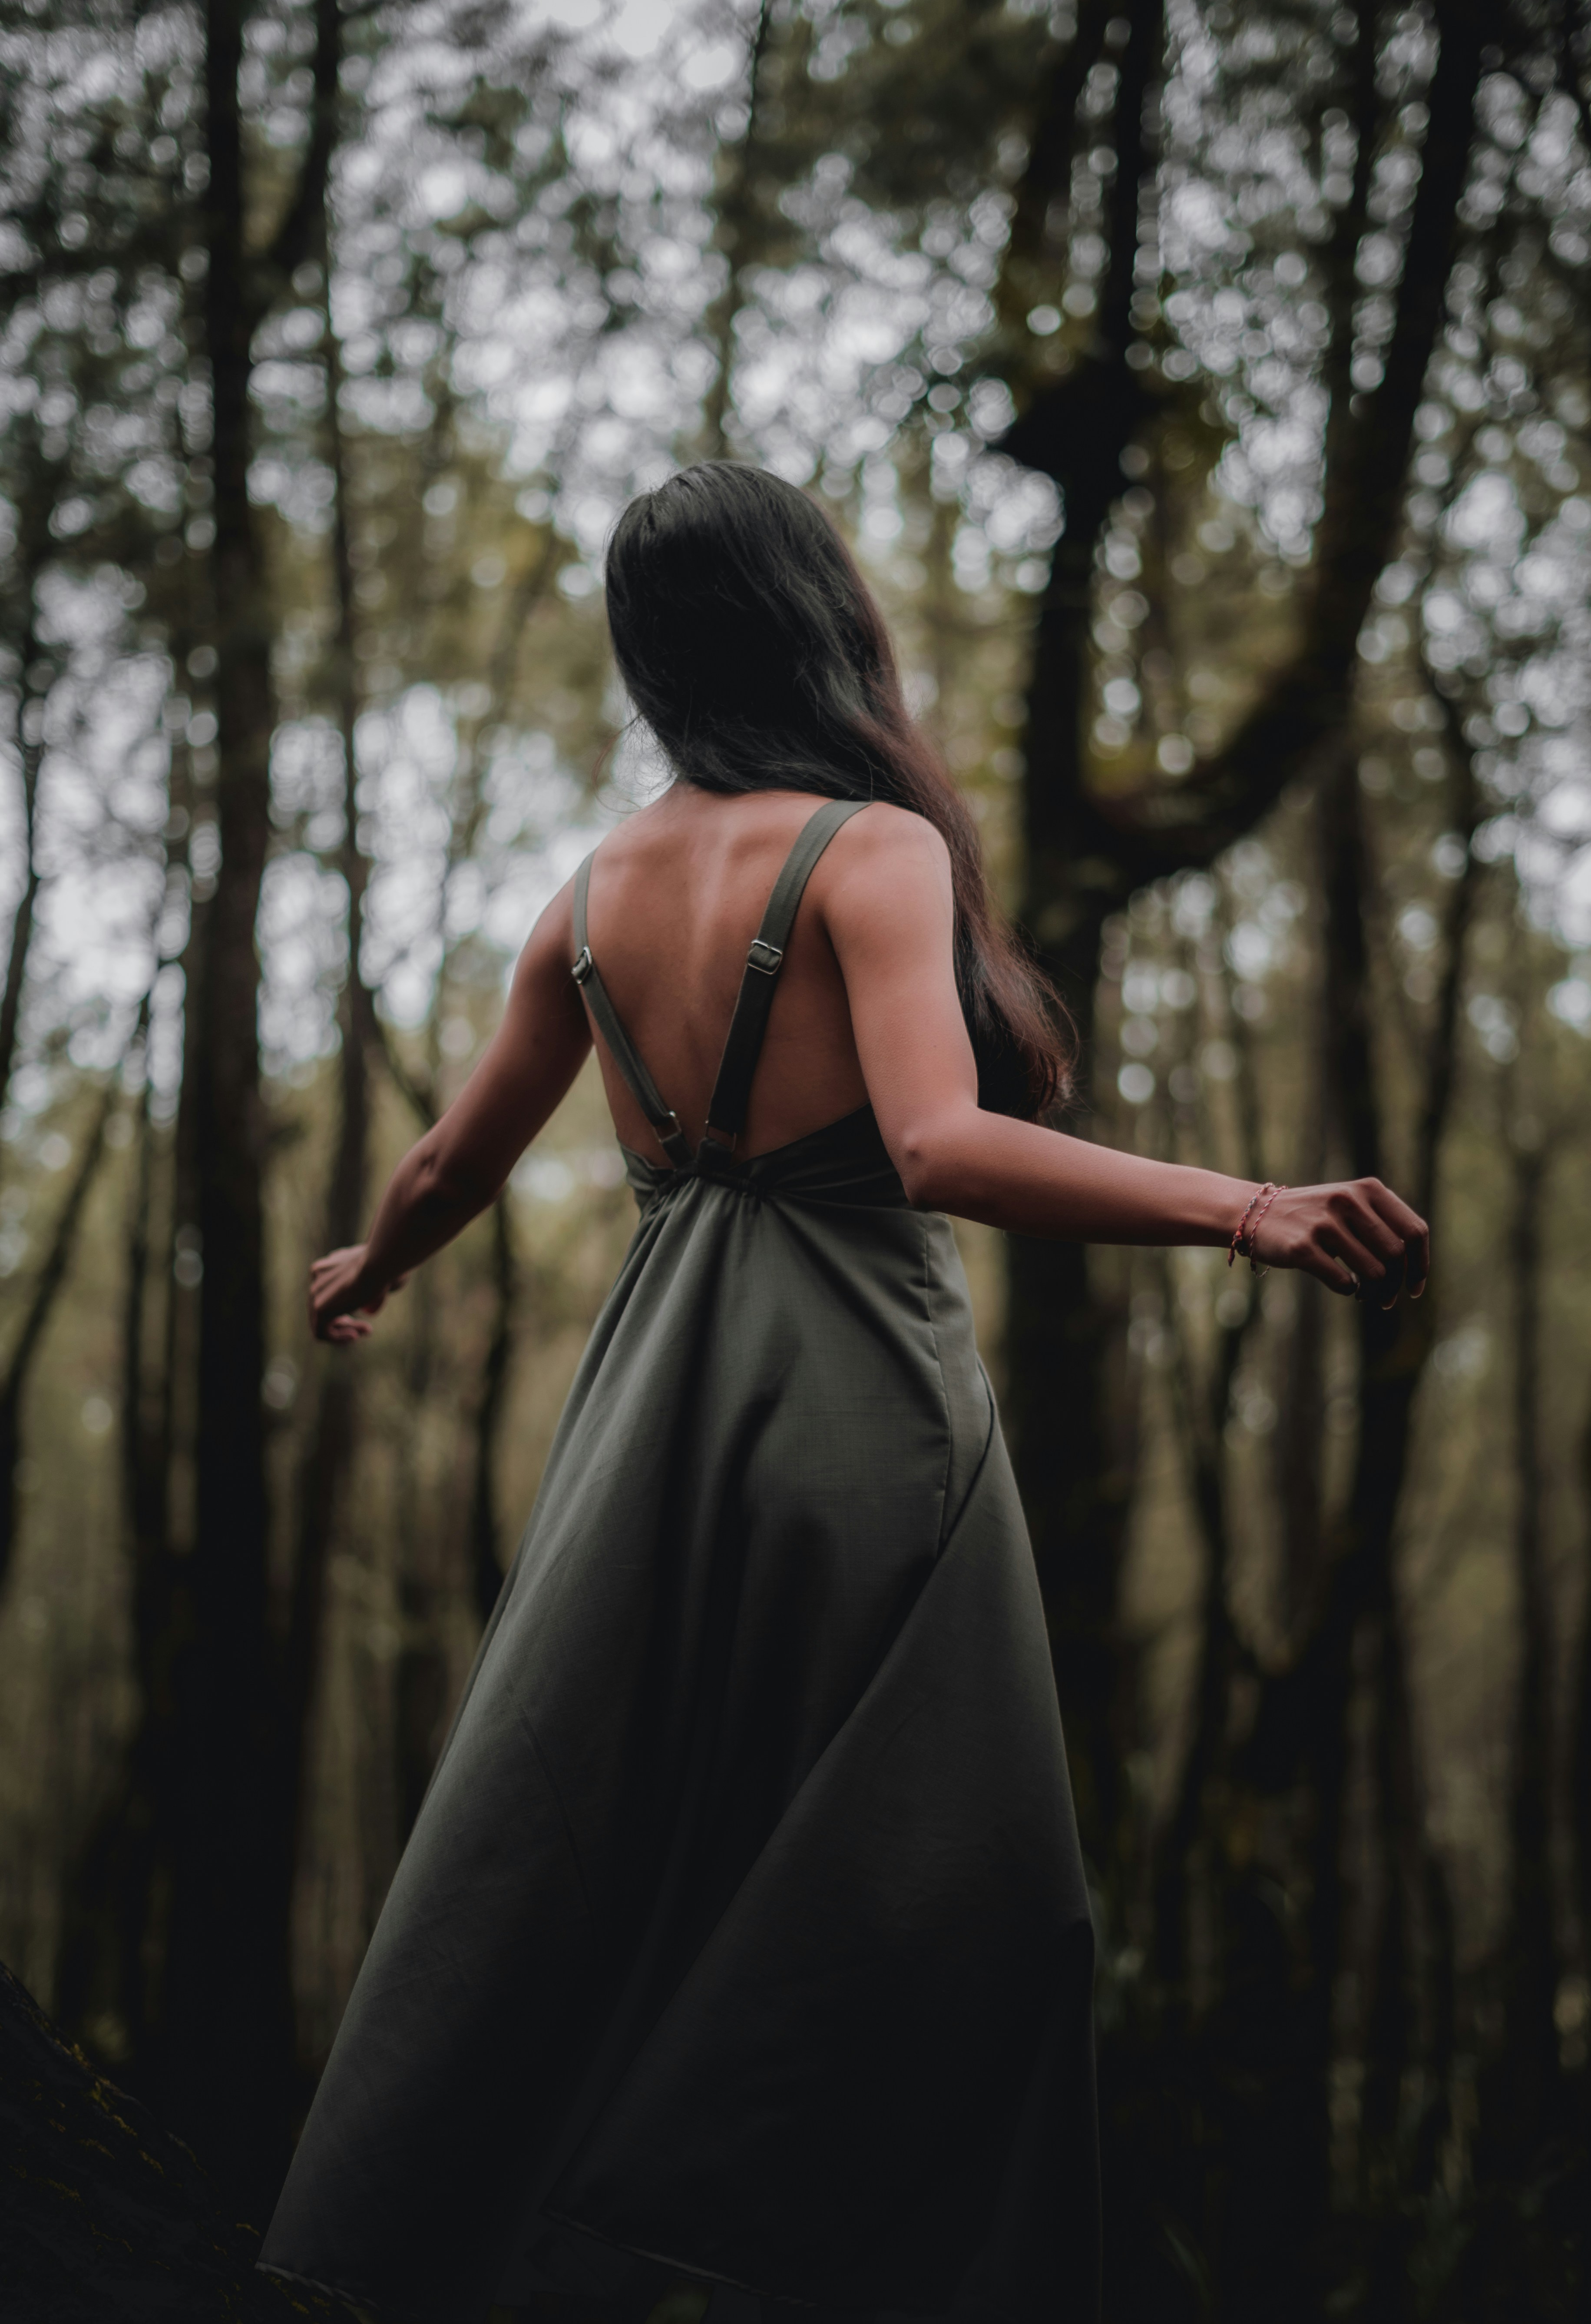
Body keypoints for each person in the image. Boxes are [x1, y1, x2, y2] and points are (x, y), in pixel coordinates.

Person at [259, 462, 1429, 2324]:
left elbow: (448, 1163)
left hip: (651, 1419)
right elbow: (938, 1145)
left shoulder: (586, 896)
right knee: (950, 1882)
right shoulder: (873, 849)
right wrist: (1250, 1209)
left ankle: (536, 2261)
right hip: (858, 1410)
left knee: (606, 1853)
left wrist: (371, 1268)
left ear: (658, 654)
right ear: (820, 618)